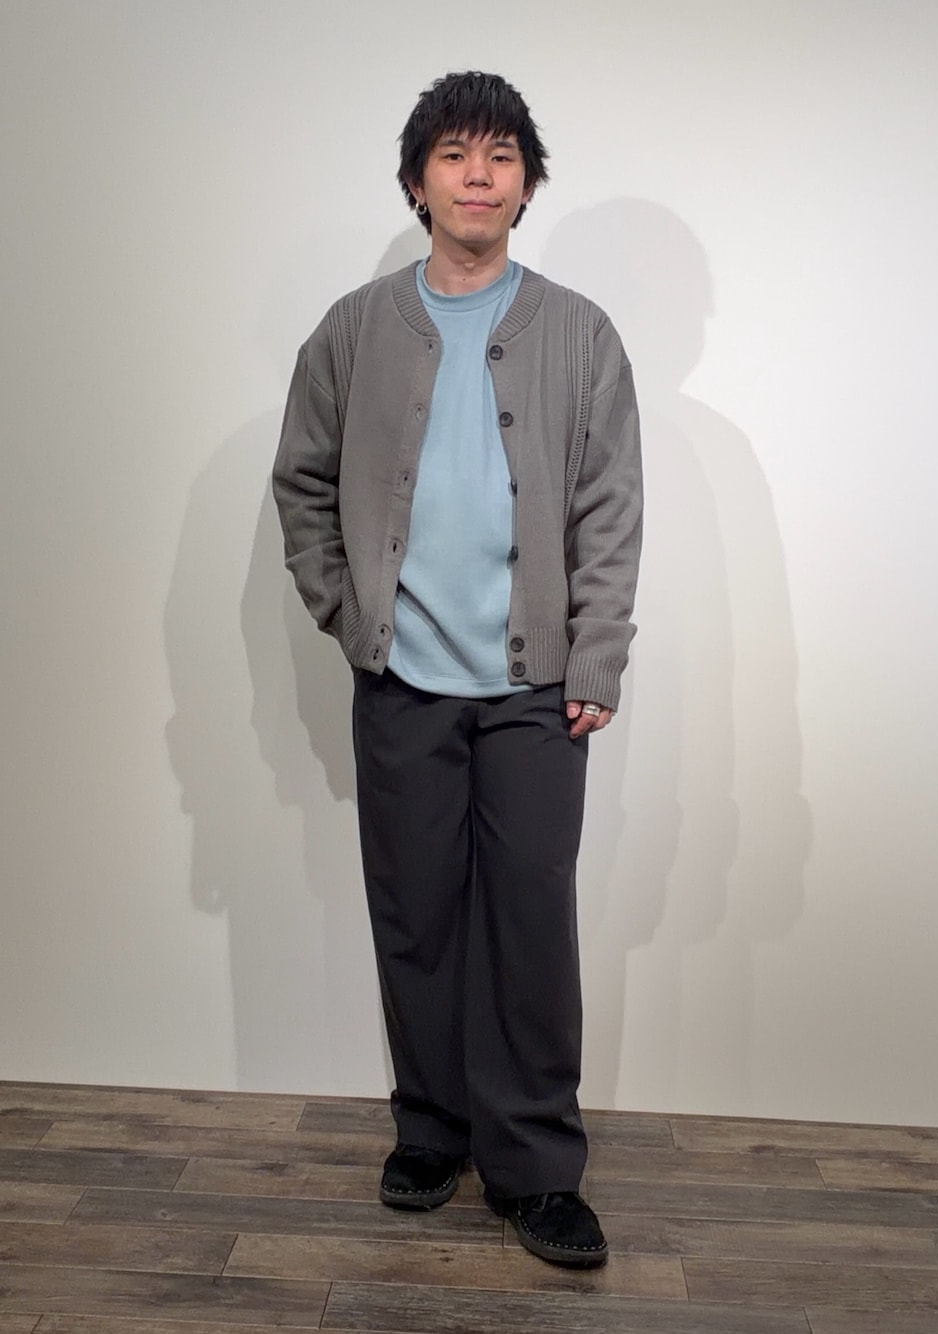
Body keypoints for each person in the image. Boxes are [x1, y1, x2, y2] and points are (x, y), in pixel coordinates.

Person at [272, 70, 642, 1268]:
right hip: (404, 681)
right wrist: (349, 613)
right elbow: (302, 479)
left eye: (500, 155)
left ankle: (536, 1168)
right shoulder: (353, 329)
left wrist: (596, 652)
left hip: (538, 690)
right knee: (416, 916)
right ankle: (431, 1129)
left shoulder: (580, 333)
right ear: (417, 181)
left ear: (525, 186)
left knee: (531, 924)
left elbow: (609, 507)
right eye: (452, 154)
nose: (477, 174)